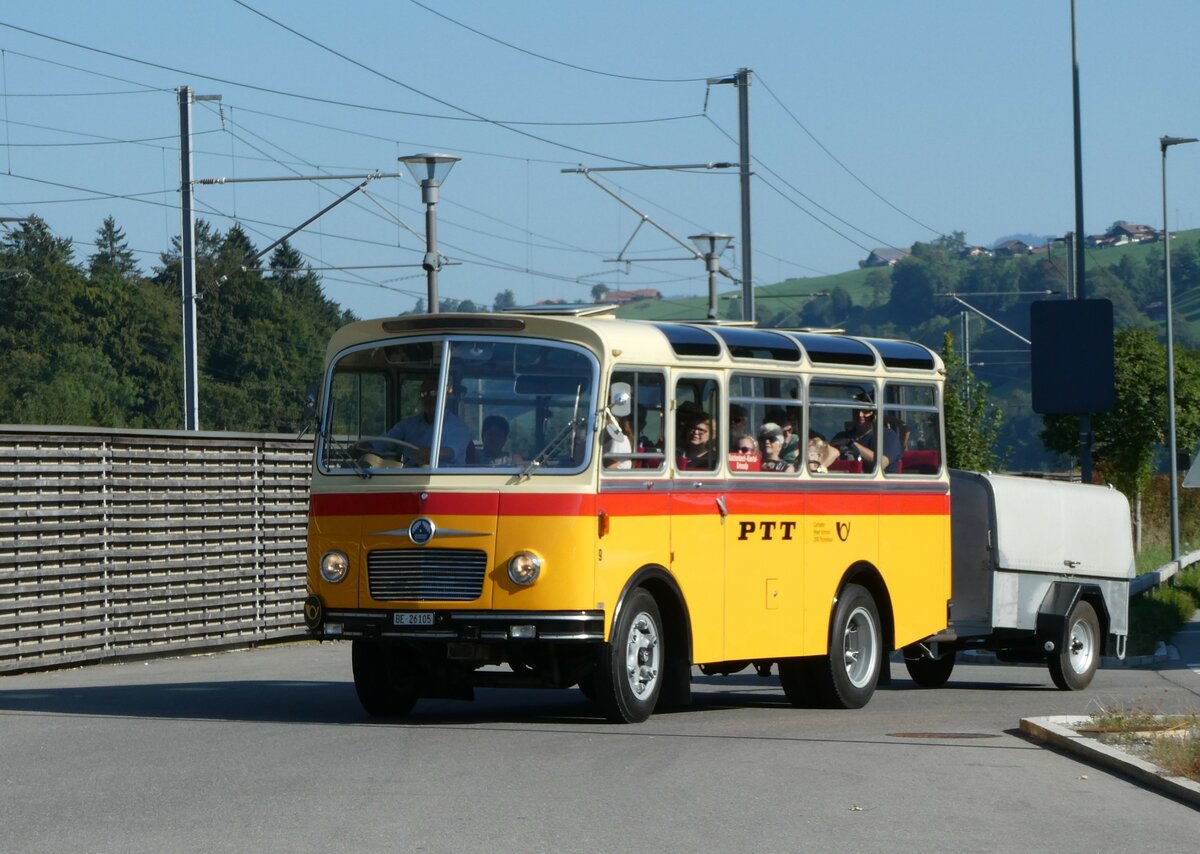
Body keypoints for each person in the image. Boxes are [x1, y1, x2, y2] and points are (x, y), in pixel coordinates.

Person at [386, 377, 470, 466]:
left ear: (444, 397)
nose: (428, 398)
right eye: (424, 394)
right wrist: (371, 446)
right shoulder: (408, 425)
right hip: (410, 477)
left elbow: (451, 452)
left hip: (445, 478)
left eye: (433, 393)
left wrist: (430, 454)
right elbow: (385, 442)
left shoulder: (458, 426)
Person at [830, 396, 901, 474]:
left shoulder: (887, 436)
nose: (860, 415)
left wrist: (852, 444)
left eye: (865, 411)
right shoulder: (843, 436)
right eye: (857, 410)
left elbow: (882, 463)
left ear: (873, 414)